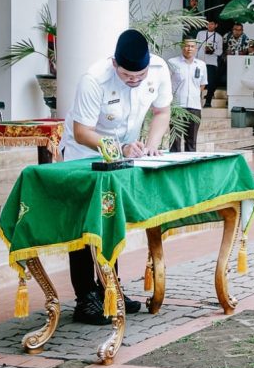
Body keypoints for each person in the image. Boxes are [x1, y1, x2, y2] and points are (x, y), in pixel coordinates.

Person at [59, 29, 172, 324]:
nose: (134, 81)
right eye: (127, 76)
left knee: (109, 219)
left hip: (122, 157)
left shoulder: (159, 71)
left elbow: (162, 111)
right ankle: (86, 298)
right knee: (85, 227)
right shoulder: (93, 80)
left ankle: (111, 290)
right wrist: (119, 147)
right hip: (83, 156)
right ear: (114, 64)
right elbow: (82, 132)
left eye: (140, 75)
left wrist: (149, 147)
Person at [168, 37, 207, 152]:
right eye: (186, 46)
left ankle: (190, 166)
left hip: (194, 107)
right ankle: (174, 166)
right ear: (182, 47)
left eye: (192, 46)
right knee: (175, 140)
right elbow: (167, 83)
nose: (189, 48)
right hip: (177, 107)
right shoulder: (172, 62)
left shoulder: (201, 65)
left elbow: (202, 85)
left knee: (192, 141)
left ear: (195, 49)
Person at [195, 19, 222, 107]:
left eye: (212, 24)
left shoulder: (218, 37)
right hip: (199, 61)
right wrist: (193, 60)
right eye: (208, 24)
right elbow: (196, 47)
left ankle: (208, 101)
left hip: (211, 62)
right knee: (197, 81)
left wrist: (212, 51)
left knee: (211, 82)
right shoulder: (200, 33)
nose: (209, 26)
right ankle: (196, 101)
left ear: (216, 25)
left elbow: (220, 52)